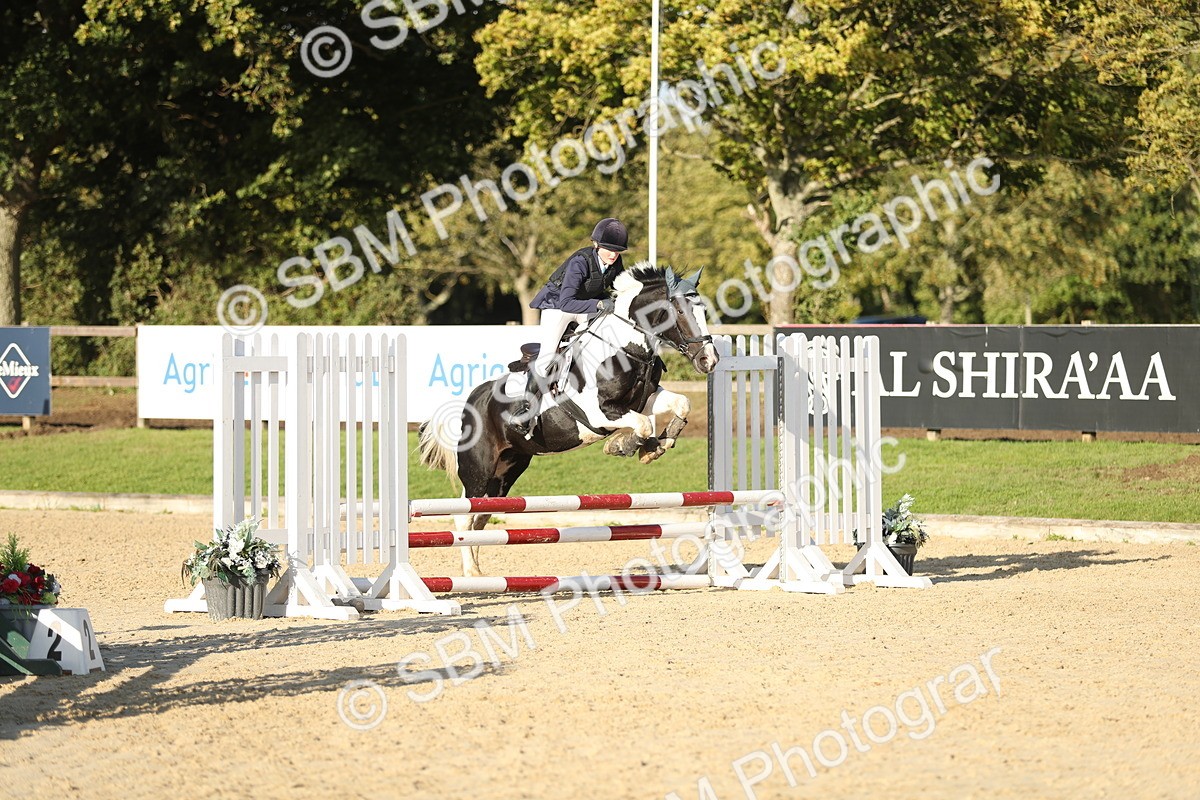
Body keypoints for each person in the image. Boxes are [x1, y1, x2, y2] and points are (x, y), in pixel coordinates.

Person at [512, 217, 629, 436]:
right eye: (608, 249)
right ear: (596, 245)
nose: (613, 255)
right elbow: (567, 301)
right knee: (547, 358)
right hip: (559, 306)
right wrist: (601, 303)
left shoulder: (616, 264)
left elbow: (616, 291)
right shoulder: (581, 261)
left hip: (584, 307)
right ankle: (525, 409)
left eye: (617, 251)